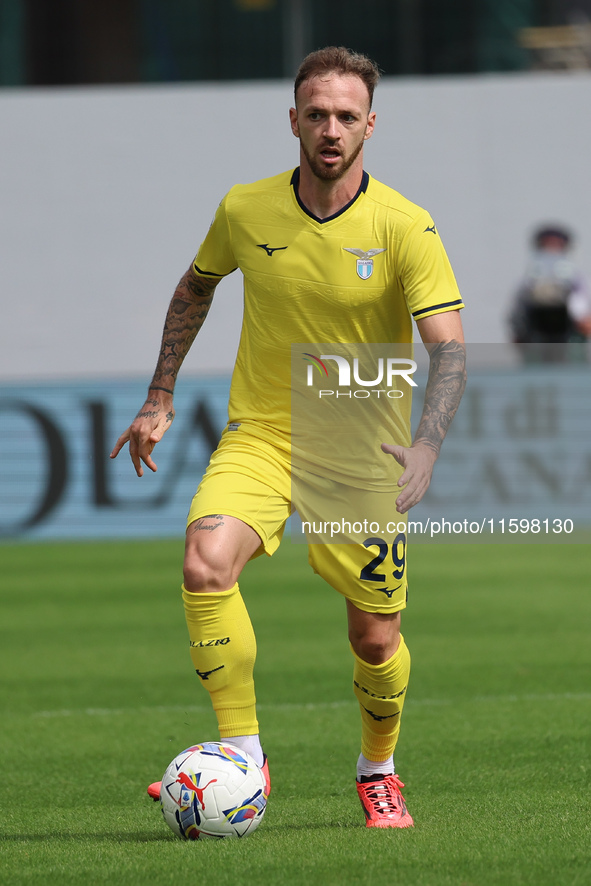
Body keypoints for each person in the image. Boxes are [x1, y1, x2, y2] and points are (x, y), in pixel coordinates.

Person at [111, 46, 466, 829]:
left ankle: (378, 770)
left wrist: (428, 445)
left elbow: (447, 346)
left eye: (345, 115)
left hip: (360, 451)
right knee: (205, 561)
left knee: (374, 641)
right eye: (316, 114)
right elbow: (196, 284)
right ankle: (241, 753)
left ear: (369, 123)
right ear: (293, 122)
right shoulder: (246, 208)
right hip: (263, 435)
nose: (330, 129)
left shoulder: (405, 225)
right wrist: (160, 392)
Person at [509, 225, 591, 362]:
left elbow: (585, 321)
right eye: (546, 245)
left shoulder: (577, 281)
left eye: (556, 245)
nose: (551, 250)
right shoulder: (528, 282)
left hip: (570, 347)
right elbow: (517, 317)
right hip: (536, 344)